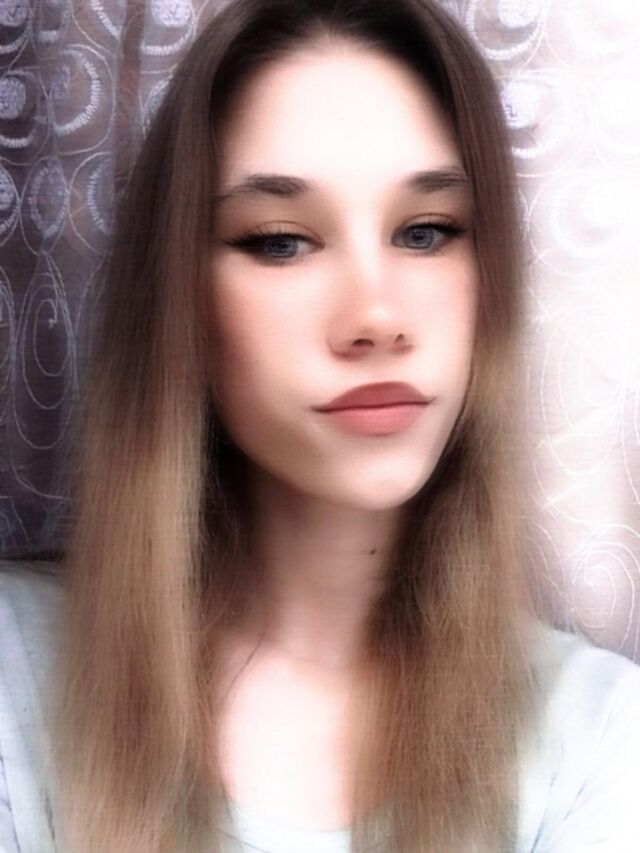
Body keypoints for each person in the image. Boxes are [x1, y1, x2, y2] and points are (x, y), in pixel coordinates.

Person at [1, 0, 639, 851]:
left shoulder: (596, 738)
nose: (376, 316)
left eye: (427, 231)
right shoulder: (15, 676)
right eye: (280, 241)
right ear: (179, 297)